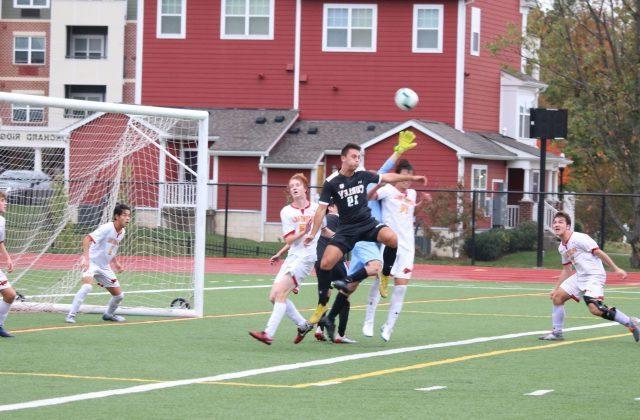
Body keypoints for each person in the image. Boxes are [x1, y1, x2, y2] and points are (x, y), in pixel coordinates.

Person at [305, 142, 427, 342]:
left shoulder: (363, 175)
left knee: (392, 239)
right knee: (325, 263)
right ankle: (322, 306)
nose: (357, 159)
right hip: (347, 231)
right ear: (343, 158)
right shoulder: (331, 182)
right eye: (354, 156)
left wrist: (412, 177)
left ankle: (385, 276)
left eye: (359, 156)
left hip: (367, 225)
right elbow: (320, 210)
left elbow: (387, 176)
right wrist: (312, 232)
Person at [250, 173, 333, 345]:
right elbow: (289, 239)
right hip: (293, 257)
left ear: (305, 188)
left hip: (307, 258)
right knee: (273, 297)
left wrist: (342, 238)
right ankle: (303, 324)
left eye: (297, 185)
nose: (294, 188)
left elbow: (324, 230)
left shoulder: (317, 208)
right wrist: (303, 232)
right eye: (291, 186)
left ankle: (268, 333)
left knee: (280, 294)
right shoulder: (286, 211)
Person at [540, 211, 639, 342]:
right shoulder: (562, 248)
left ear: (568, 226)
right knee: (557, 297)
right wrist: (555, 288)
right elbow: (567, 269)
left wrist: (615, 269)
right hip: (580, 276)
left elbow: (598, 252)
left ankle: (630, 323)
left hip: (594, 275)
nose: (556, 224)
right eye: (555, 222)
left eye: (560, 222)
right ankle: (557, 333)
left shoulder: (579, 238)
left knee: (595, 308)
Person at [363, 159, 429, 341]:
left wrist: (422, 203)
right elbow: (368, 197)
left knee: (400, 289)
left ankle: (388, 328)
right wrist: (378, 186)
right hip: (390, 244)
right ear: (398, 176)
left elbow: (410, 215)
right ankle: (369, 320)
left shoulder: (413, 193)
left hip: (407, 248)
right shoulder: (388, 190)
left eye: (409, 177)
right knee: (379, 281)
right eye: (403, 177)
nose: (407, 181)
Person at [65, 203, 132, 323]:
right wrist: (85, 258)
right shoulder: (107, 227)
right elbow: (87, 238)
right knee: (87, 287)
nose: (128, 218)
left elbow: (111, 250)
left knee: (119, 296)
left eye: (129, 216)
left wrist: (116, 263)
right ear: (117, 216)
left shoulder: (122, 232)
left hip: (104, 266)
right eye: (124, 215)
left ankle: (108, 315)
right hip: (91, 262)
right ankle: (71, 315)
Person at [0, 191, 16, 337]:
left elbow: (0, 242)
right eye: (3, 200)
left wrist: (8, 258)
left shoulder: (2, 221)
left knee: (10, 295)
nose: (5, 203)